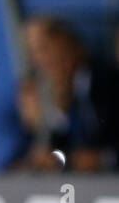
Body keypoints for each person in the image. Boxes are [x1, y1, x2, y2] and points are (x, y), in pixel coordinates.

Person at [15, 15, 118, 172]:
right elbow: (36, 157)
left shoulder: (107, 81)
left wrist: (104, 158)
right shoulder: (40, 91)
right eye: (33, 53)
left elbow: (94, 150)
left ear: (68, 43)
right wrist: (39, 125)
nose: (39, 61)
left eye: (44, 49)